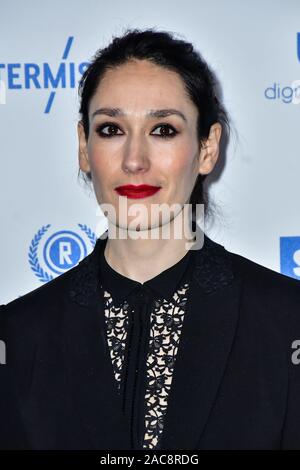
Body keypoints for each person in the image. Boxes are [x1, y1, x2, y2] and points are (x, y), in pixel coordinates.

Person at [1, 27, 300, 450]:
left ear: (208, 148)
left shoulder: (287, 322)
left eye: (163, 130)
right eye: (110, 129)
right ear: (84, 146)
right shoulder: (17, 336)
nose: (135, 160)